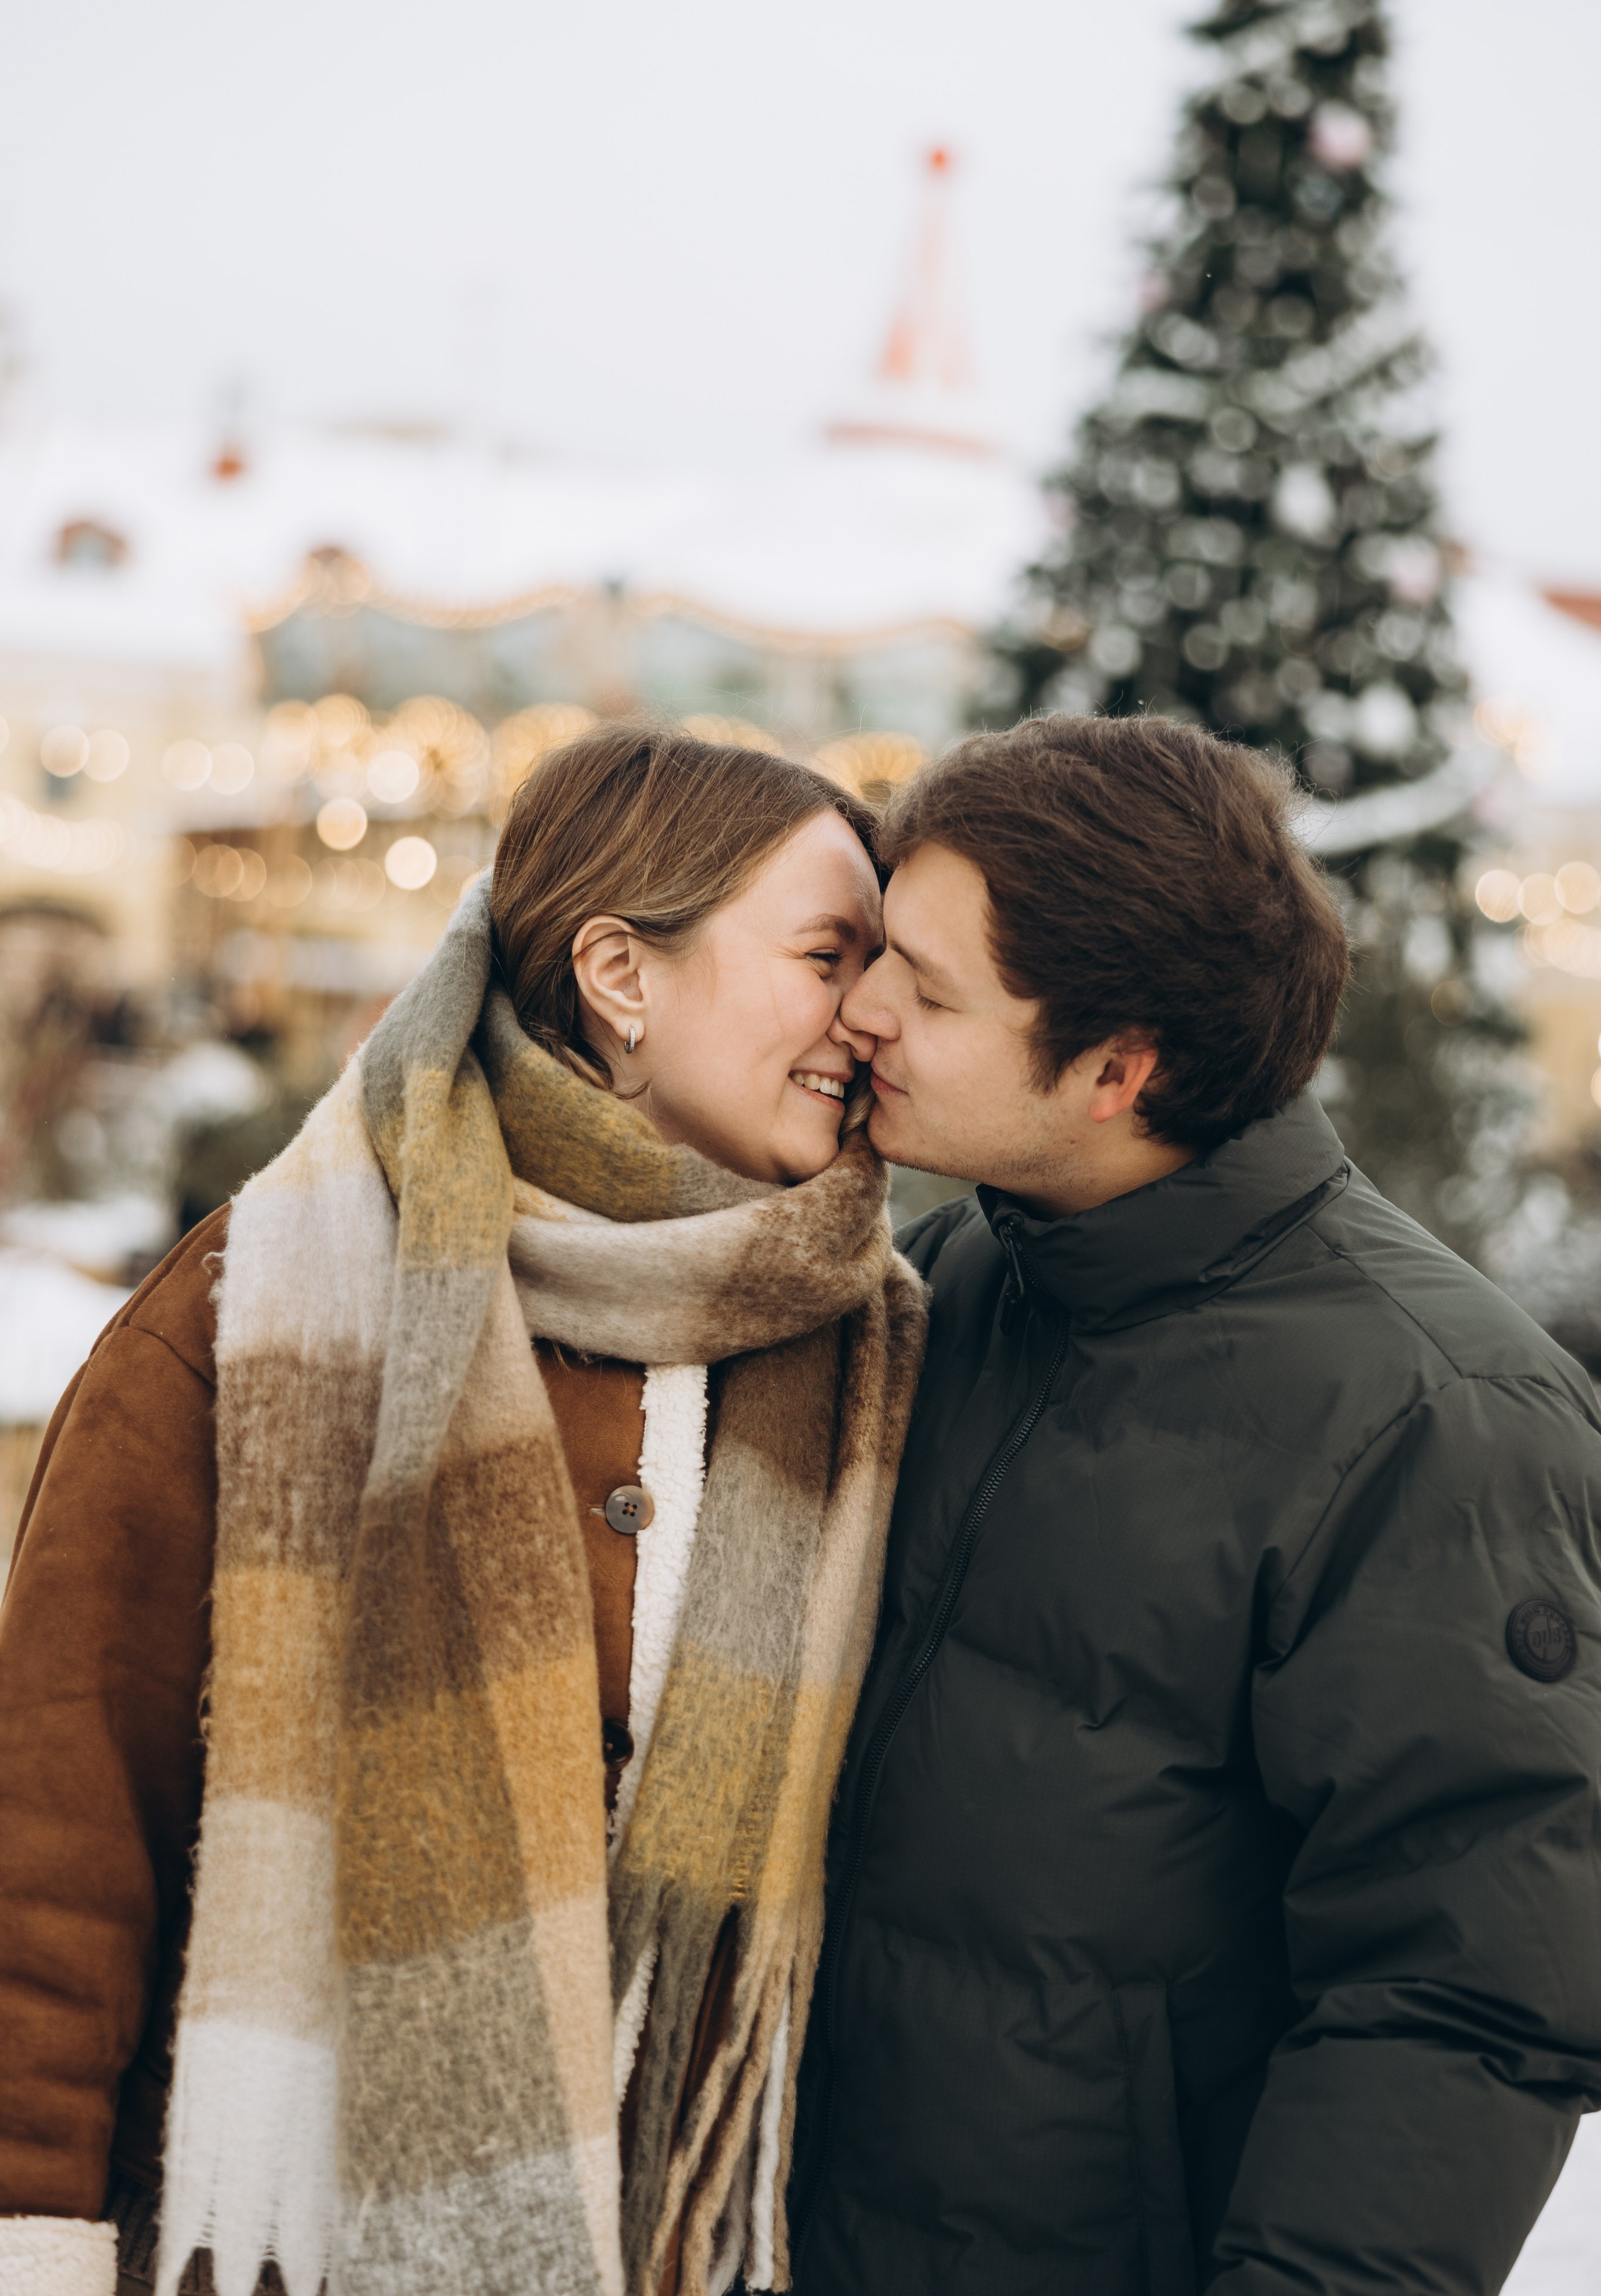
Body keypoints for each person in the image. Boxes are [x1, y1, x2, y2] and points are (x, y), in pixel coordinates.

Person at [0, 723, 927, 2296]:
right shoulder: (257, 1308)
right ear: (621, 973)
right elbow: (60, 1836)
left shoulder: (878, 1347)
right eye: (829, 953)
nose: (872, 1015)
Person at [789, 712, 1601, 2296]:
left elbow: (1458, 1997)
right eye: (880, 947)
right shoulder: (963, 1275)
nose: (863, 1006)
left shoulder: (1435, 1421)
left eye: (929, 989)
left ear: (1116, 1069)